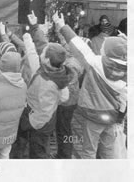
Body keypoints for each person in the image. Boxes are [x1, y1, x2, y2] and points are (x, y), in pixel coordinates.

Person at [53, 13, 127, 159]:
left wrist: (62, 26)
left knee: (89, 150)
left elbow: (78, 46)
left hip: (93, 115)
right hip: (113, 116)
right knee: (109, 151)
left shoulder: (96, 63)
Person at [24, 12, 72, 159]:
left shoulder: (38, 72)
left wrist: (27, 38)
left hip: (34, 120)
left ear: (45, 60)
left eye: (43, 53)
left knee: (37, 151)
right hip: (50, 120)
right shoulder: (62, 75)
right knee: (42, 146)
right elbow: (64, 98)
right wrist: (34, 27)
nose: (41, 51)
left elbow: (32, 53)